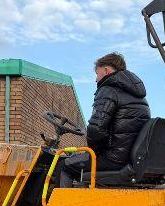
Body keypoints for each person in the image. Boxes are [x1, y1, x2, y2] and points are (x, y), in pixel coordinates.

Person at [62, 53, 151, 184]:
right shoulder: (140, 97)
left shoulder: (108, 90)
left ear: (106, 70)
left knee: (63, 165)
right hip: (130, 157)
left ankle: (60, 204)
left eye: (97, 74)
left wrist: (94, 152)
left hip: (114, 158)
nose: (96, 80)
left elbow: (95, 130)